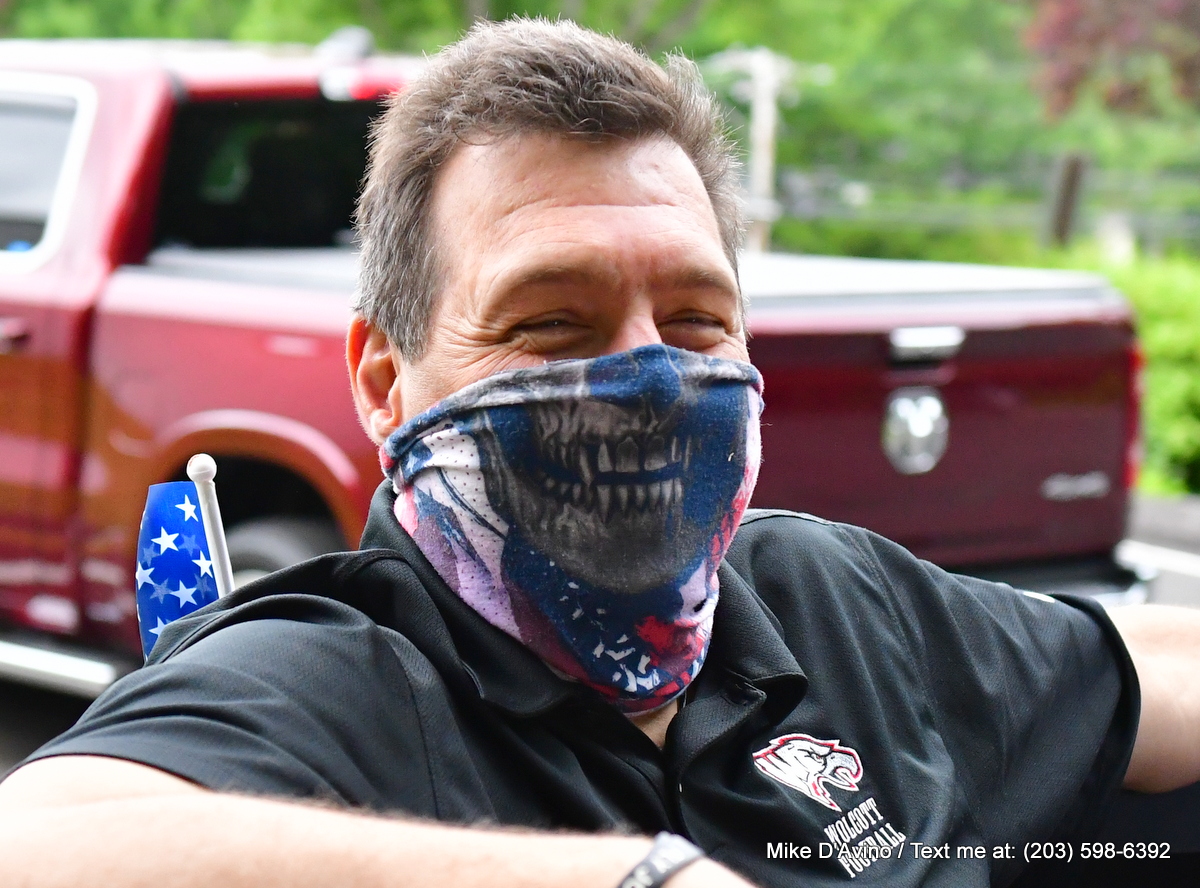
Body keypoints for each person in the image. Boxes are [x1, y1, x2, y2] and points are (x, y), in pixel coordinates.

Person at [2, 17, 1199, 888]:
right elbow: (44, 840)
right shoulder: (332, 679)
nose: (651, 380)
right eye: (552, 323)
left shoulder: (831, 601)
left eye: (695, 321)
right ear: (382, 382)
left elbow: (1143, 672)